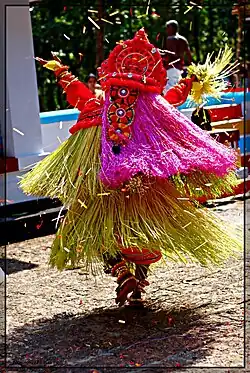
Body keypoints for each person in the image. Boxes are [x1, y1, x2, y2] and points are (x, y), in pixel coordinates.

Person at [20, 29, 241, 308]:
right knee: (147, 227)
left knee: (96, 229)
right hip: (145, 188)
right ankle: (138, 279)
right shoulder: (153, 108)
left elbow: (77, 92)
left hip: (104, 189)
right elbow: (175, 97)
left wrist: (61, 72)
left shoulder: (99, 106)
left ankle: (123, 274)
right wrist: (190, 80)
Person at [160, 20, 192, 93]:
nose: (166, 30)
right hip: (179, 68)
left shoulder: (170, 39)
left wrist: (161, 58)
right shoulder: (183, 39)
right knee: (178, 88)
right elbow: (188, 54)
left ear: (173, 28)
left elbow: (171, 55)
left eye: (168, 27)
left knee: (169, 90)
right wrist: (192, 66)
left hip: (171, 68)